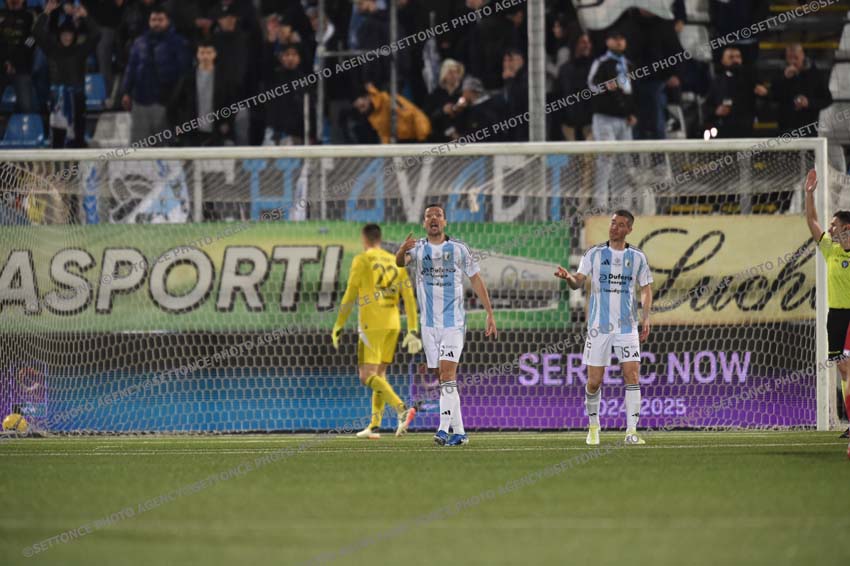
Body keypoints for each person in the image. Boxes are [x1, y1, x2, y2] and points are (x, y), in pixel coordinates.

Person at [396, 204, 498, 446]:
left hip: (454, 324)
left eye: (438, 215)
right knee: (443, 379)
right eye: (429, 216)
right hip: (428, 325)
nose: (434, 218)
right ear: (424, 223)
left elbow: (476, 279)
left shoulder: (459, 249)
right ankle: (460, 432)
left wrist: (489, 313)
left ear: (445, 222)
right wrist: (402, 249)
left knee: (448, 374)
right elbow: (400, 263)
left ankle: (442, 430)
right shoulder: (418, 248)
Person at [554, 210, 653, 445]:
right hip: (598, 327)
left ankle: (631, 431)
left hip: (627, 328)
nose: (614, 228)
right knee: (594, 381)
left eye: (620, 225)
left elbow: (646, 288)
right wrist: (569, 278)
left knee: (632, 376)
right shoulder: (594, 253)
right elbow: (578, 282)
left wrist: (646, 317)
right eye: (612, 223)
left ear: (629, 229)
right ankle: (593, 427)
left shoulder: (637, 257)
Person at [332, 223, 422, 439]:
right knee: (380, 374)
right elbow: (409, 297)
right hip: (393, 323)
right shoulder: (394, 260)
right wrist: (412, 329)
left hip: (371, 324)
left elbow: (350, 294)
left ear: (364, 239)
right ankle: (374, 426)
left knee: (366, 376)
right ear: (379, 239)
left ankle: (401, 408)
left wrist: (339, 324)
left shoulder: (362, 260)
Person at [803, 169, 850, 440]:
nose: (829, 229)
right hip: (837, 316)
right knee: (843, 370)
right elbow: (812, 221)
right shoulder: (830, 249)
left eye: (834, 225)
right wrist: (809, 194)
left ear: (846, 228)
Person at [34, 0, 101, 148]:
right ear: (59, 35)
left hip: (77, 100)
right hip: (57, 100)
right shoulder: (52, 49)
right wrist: (46, 13)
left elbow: (97, 34)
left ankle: (78, 160)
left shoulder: (80, 50)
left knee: (78, 138)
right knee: (57, 140)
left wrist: (86, 16)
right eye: (64, 34)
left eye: (69, 34)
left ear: (74, 35)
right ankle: (58, 162)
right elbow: (37, 32)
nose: (67, 37)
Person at [122, 6, 190, 144]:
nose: (157, 23)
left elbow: (184, 73)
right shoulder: (139, 42)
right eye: (153, 20)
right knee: (138, 146)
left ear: (168, 21)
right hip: (140, 100)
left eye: (160, 20)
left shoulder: (178, 42)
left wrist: (175, 99)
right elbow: (131, 68)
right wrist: (126, 92)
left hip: (165, 102)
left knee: (164, 147)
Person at [588, 29, 636, 209]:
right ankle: (600, 203)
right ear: (607, 41)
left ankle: (621, 205)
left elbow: (632, 92)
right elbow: (591, 85)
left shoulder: (628, 64)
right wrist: (605, 87)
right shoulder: (601, 63)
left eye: (622, 38)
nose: (619, 42)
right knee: (606, 159)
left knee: (623, 161)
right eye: (615, 38)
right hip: (605, 118)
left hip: (624, 120)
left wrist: (632, 113)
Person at [168, 40, 239, 146]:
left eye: (209, 53)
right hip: (192, 133)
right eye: (202, 53)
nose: (205, 56)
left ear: (215, 54)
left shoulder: (224, 78)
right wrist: (176, 125)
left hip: (217, 132)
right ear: (197, 55)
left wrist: (227, 123)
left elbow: (232, 103)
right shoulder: (188, 78)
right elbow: (173, 104)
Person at [757, 44, 832, 136]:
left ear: (803, 56)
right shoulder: (780, 73)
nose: (793, 61)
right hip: (785, 126)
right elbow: (774, 96)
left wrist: (809, 102)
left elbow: (827, 100)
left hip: (808, 126)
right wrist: (785, 78)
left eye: (796, 58)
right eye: (789, 58)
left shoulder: (815, 74)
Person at [703, 47, 759, 139]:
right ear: (723, 61)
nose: (735, 60)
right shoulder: (717, 81)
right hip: (723, 130)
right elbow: (707, 106)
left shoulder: (750, 79)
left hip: (746, 130)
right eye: (731, 57)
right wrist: (716, 111)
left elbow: (765, 98)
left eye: (738, 57)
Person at [351, 83, 431, 144]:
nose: (362, 111)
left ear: (367, 97)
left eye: (362, 106)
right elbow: (384, 135)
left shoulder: (387, 99)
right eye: (359, 109)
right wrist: (387, 151)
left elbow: (414, 115)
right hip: (402, 143)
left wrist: (423, 138)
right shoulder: (372, 116)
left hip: (419, 138)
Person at [0, 0, 36, 114]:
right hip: (1, 65)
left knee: (26, 108)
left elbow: (31, 41)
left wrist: (14, 62)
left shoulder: (29, 17)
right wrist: (5, 61)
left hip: (21, 67)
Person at [557, 32, 593, 141]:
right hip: (569, 126)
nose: (587, 45)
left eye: (588, 42)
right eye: (583, 42)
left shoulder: (594, 67)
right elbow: (559, 96)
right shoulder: (565, 69)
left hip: (590, 125)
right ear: (575, 45)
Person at [424, 58, 464, 143]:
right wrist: (442, 111)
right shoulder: (435, 95)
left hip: (462, 138)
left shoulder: (463, 93)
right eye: (450, 72)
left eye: (456, 72)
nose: (454, 75)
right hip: (439, 139)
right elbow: (427, 117)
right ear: (444, 74)